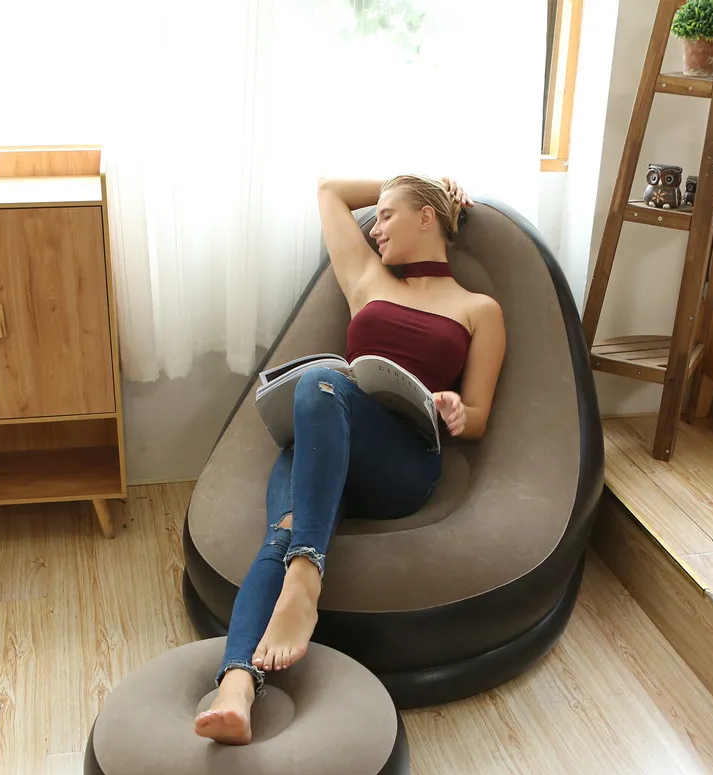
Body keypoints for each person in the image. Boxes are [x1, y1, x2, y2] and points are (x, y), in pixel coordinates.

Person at [195, 175, 506, 744]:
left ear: (427, 218)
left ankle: (304, 580)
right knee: (284, 526)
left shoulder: (478, 309)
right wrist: (415, 176)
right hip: (325, 445)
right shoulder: (368, 278)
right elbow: (330, 191)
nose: (375, 228)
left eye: (387, 215)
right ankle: (235, 689)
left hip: (401, 466)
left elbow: (481, 414)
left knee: (320, 384)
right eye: (376, 215)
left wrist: (458, 409)